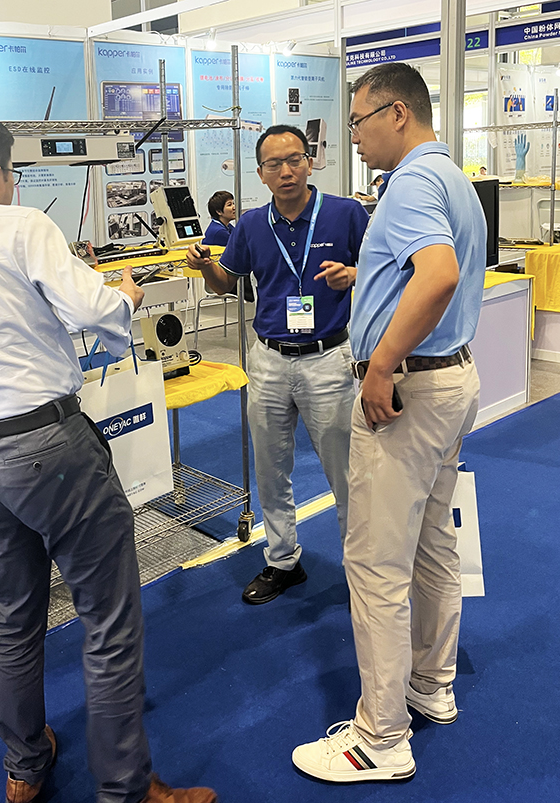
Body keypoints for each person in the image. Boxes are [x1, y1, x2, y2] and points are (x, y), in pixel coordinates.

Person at [0, 113, 217, 803]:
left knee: (14, 612)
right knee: (108, 618)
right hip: (51, 448)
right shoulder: (23, 228)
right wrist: (125, 298)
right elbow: (93, 310)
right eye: (13, 174)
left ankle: (24, 767)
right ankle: (126, 789)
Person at [291, 63, 486, 783]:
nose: (353, 136)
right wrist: (367, 279)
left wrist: (380, 365)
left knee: (375, 563)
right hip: (449, 381)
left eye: (358, 121)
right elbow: (431, 272)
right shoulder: (451, 177)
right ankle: (431, 685)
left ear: (397, 112)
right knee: (433, 542)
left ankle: (380, 737)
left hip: (407, 393)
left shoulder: (409, 182)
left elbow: (437, 275)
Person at [186, 124, 369, 605]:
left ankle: (363, 569)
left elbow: (387, 268)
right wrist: (204, 267)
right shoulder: (250, 225)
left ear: (309, 162)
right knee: (270, 469)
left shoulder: (346, 214)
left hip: (328, 359)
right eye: (274, 164)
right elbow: (226, 283)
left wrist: (354, 274)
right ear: (261, 173)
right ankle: (283, 560)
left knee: (346, 472)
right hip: (268, 359)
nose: (286, 171)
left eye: (294, 160)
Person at [202, 190, 254, 302]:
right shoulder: (218, 232)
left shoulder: (227, 227)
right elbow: (240, 248)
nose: (234, 207)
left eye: (233, 203)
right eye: (229, 205)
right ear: (219, 211)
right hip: (225, 278)